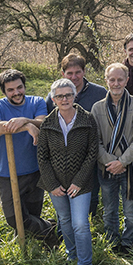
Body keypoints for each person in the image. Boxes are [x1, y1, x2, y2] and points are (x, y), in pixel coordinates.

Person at [37, 78, 99, 265]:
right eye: (60, 96)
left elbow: (92, 153)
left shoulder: (87, 119)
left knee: (80, 223)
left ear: (75, 96)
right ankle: (71, 256)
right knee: (64, 220)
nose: (65, 99)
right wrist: (52, 184)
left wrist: (79, 181)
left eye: (68, 95)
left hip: (80, 184)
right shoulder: (47, 124)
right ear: (53, 99)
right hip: (56, 185)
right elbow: (42, 157)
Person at [0, 69, 56, 246]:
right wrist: (26, 127)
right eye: (10, 90)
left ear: (25, 86)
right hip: (8, 173)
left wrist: (24, 119)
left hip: (34, 170)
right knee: (14, 218)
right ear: (4, 92)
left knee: (32, 215)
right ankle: (54, 231)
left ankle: (34, 250)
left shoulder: (37, 102)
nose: (16, 92)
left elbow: (44, 122)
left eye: (19, 87)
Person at [91, 63, 133, 254]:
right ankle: (112, 241)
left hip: (131, 167)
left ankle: (128, 242)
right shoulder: (97, 108)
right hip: (105, 167)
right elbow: (95, 141)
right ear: (106, 80)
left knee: (131, 210)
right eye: (112, 79)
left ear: (126, 80)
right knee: (109, 209)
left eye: (120, 79)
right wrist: (110, 162)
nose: (116, 83)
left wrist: (122, 162)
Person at [45, 53, 108, 214]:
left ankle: (89, 225)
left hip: (91, 153)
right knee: (64, 203)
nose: (74, 77)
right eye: (69, 73)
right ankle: (64, 230)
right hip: (63, 158)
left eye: (78, 72)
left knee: (91, 195)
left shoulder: (99, 93)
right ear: (62, 74)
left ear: (84, 71)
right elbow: (46, 124)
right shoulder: (54, 96)